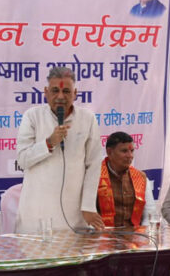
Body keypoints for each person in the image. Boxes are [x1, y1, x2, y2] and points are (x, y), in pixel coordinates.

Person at [16, 67, 104, 234]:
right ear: (46, 92)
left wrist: (88, 206)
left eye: (66, 91)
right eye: (55, 91)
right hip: (36, 214)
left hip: (74, 214)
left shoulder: (87, 118)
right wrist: (49, 143)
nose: (61, 97)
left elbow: (93, 165)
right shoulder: (32, 116)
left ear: (75, 93)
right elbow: (22, 159)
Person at [97, 132, 155, 228]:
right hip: (102, 233)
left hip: (135, 234)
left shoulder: (141, 177)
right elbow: (87, 213)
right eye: (124, 151)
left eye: (132, 151)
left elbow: (150, 212)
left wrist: (144, 233)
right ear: (109, 152)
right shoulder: (95, 175)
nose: (130, 155)